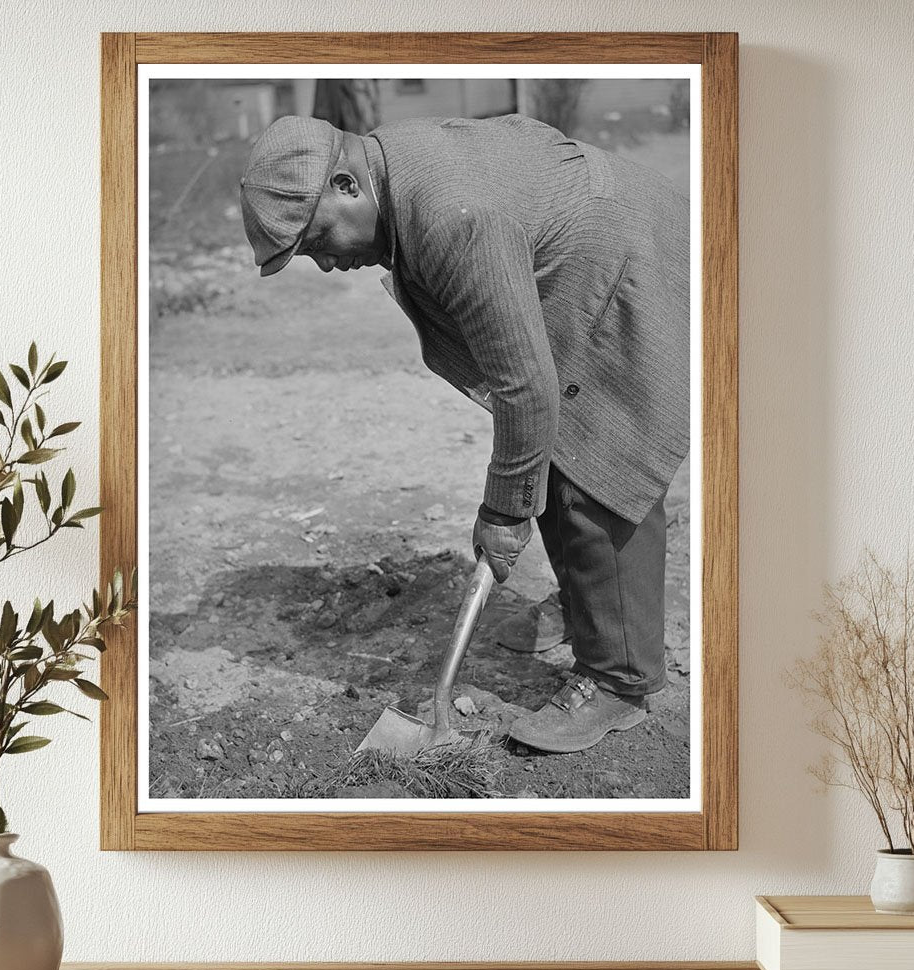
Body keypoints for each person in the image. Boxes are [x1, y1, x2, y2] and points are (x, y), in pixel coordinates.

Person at [239, 113, 689, 754]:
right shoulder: (396, 170)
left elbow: (525, 388)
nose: (325, 263)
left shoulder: (453, 215)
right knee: (552, 454)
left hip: (635, 259)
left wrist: (503, 512)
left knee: (601, 466)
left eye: (316, 241)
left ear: (346, 185)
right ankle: (592, 608)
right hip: (604, 245)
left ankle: (618, 682)